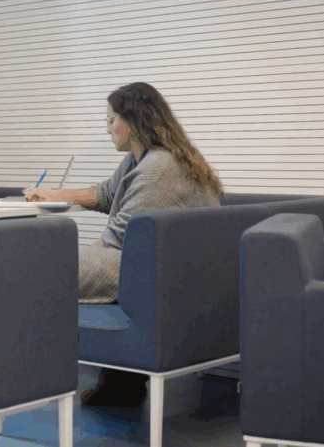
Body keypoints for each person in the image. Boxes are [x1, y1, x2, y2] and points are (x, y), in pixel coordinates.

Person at [24, 82, 224, 407]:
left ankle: (22, 374)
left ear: (132, 121)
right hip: (160, 265)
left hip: (147, 270)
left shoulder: (158, 168)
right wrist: (61, 194)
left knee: (41, 269)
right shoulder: (144, 159)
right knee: (53, 263)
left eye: (110, 120)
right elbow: (107, 192)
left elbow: (118, 240)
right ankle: (120, 380)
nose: (107, 128)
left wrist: (75, 256)